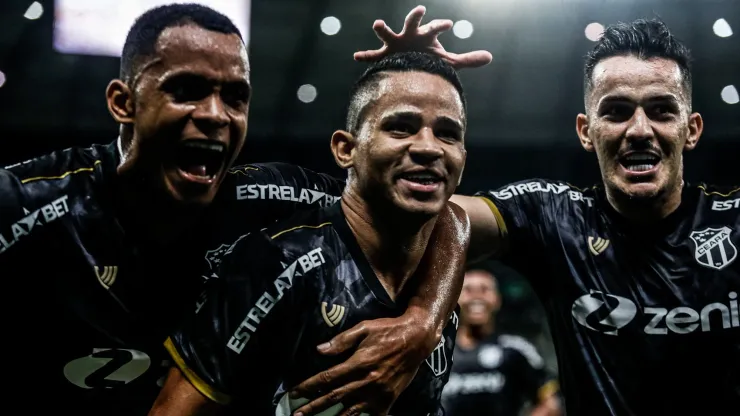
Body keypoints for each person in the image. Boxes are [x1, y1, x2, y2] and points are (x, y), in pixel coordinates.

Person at [0, 4, 477, 415]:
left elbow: (443, 214)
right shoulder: (26, 203)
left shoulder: (269, 196)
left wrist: (423, 322)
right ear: (123, 102)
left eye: (235, 97)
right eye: (186, 90)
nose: (214, 115)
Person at [444, 18, 740, 415]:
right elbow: (424, 216)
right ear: (586, 131)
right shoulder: (552, 217)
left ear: (691, 129)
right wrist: (411, 83)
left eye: (661, 110)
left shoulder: (734, 222)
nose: (639, 130)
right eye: (616, 111)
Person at [148, 51, 468, 416]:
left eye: (447, 134)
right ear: (346, 149)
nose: (429, 147)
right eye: (400, 127)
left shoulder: (439, 281)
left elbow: (459, 217)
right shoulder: (276, 262)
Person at [442, 268, 561, 416]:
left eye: (484, 289)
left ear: (497, 299)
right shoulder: (438, 354)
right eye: (468, 290)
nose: (476, 296)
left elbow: (551, 402)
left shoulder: (515, 349)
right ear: (454, 301)